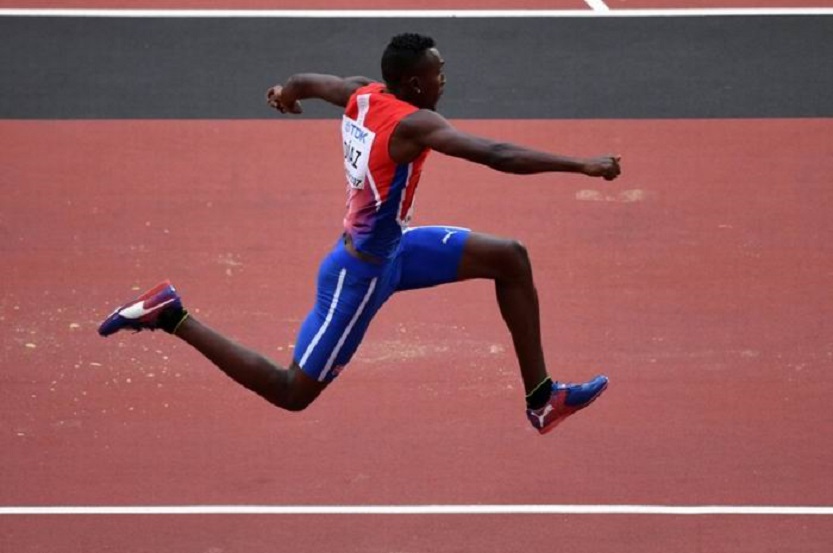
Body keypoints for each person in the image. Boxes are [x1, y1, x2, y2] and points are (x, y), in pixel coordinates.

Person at [99, 33, 621, 435]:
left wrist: (287, 94)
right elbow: (497, 155)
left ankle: (541, 399)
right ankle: (172, 315)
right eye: (439, 74)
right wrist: (583, 165)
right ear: (415, 84)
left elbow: (306, 79)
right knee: (291, 391)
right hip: (363, 272)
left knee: (509, 257)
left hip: (394, 249)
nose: (445, 80)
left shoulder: (363, 94)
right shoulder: (416, 124)